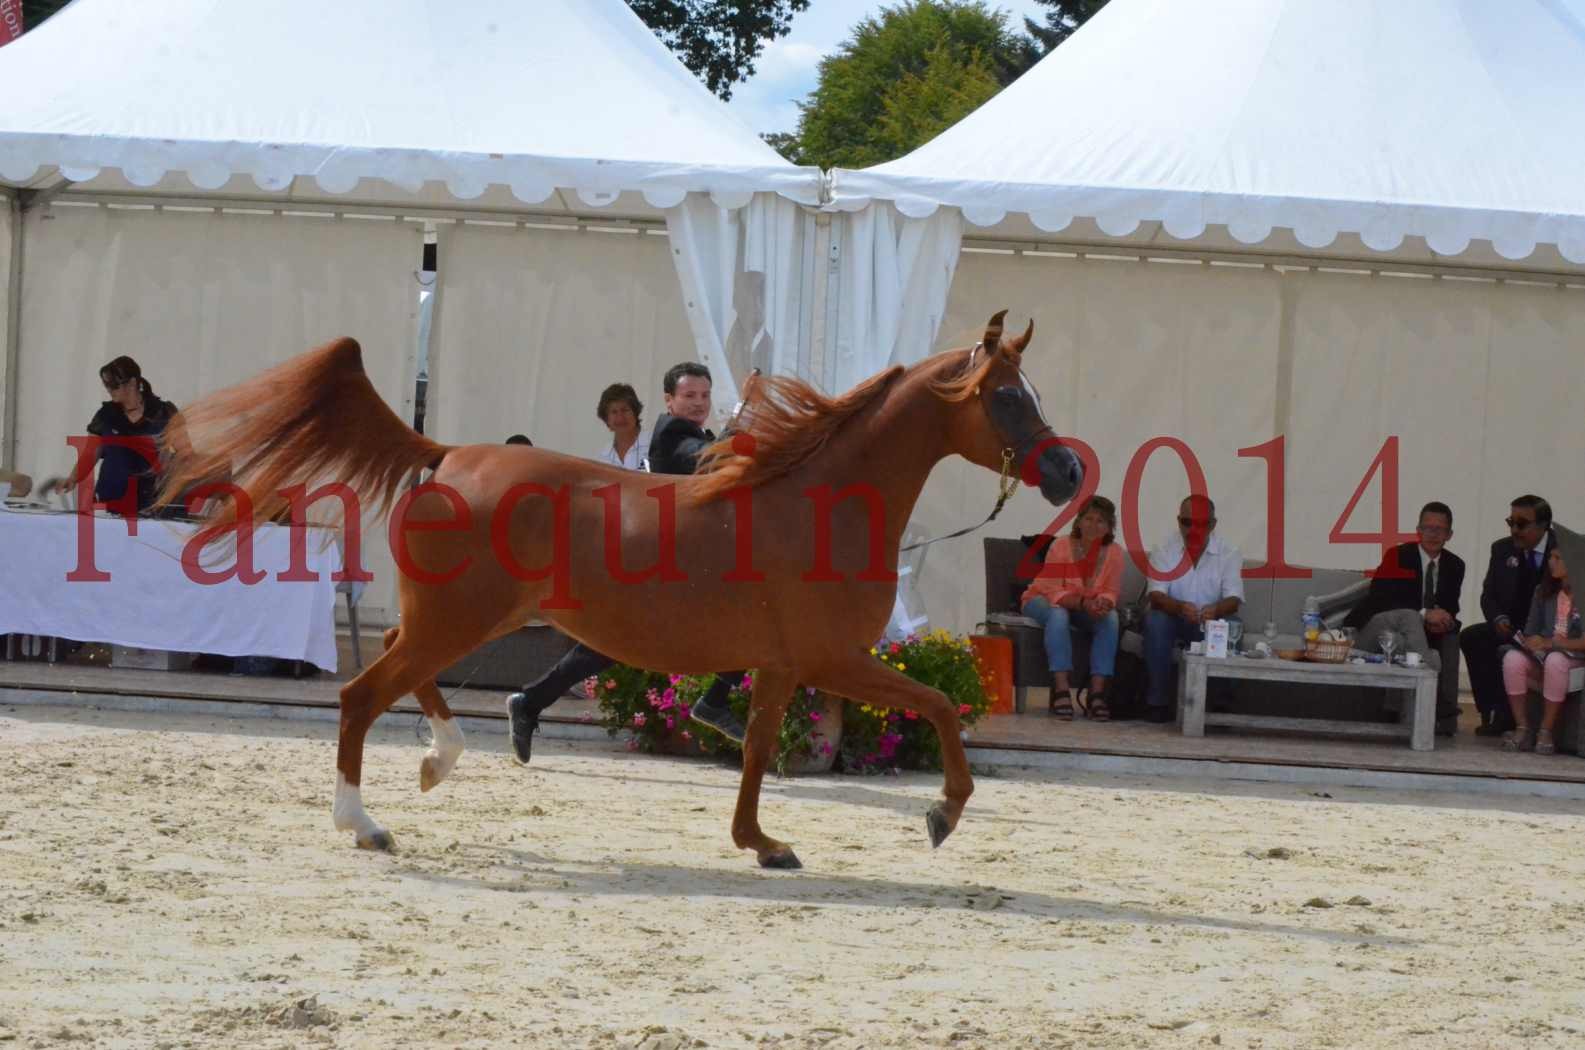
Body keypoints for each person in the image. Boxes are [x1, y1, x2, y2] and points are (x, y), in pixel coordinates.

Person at [506, 361, 748, 763]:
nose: (698, 403)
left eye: (704, 396)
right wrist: (739, 421)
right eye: (689, 396)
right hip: (661, 567)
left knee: (606, 646)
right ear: (669, 400)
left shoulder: (695, 433)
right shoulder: (671, 432)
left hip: (675, 567)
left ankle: (530, 703)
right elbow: (707, 463)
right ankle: (715, 700)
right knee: (747, 619)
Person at [1342, 502, 1465, 735]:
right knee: (1410, 616)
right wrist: (1424, 614)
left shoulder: (1455, 565)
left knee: (1404, 641)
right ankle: (1435, 691)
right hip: (1376, 626)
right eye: (1427, 528)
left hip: (1405, 635)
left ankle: (1407, 713)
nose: (1433, 534)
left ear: (1449, 534)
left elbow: (1451, 606)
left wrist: (1444, 619)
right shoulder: (1397, 555)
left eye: (1439, 529)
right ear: (1418, 530)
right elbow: (1380, 598)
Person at [1018, 496, 1124, 721]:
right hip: (1041, 599)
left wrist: (1104, 603)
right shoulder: (1061, 546)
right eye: (1089, 519)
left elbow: (1111, 590)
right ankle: (1062, 688)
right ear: (1078, 521)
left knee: (1111, 618)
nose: (1093, 526)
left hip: (1082, 608)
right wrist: (1084, 604)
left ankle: (1096, 693)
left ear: (1109, 527)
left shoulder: (1114, 552)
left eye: (1101, 521)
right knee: (1058, 614)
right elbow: (1053, 590)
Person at [1141, 495, 1244, 723]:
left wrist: (1216, 610)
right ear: (1178, 521)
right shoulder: (1164, 549)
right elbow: (1156, 595)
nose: (1192, 529)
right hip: (1174, 619)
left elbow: (1234, 599)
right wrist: (1178, 607)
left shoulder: (1229, 552)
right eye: (1187, 522)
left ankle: (1221, 706)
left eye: (1200, 523)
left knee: (1233, 625)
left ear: (1213, 525)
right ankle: (1157, 703)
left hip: (1211, 622)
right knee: (1156, 621)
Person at [1461, 495, 1556, 737]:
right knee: (1473, 637)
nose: (1514, 530)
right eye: (1510, 522)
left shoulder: (1562, 551)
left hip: (1548, 631)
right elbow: (1488, 595)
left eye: (1522, 524)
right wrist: (1498, 618)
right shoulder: (1502, 549)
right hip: (1510, 626)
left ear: (1543, 525)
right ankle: (1494, 713)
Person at [44, 356, 179, 515]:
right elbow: (90, 453)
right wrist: (73, 478)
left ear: (132, 383)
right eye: (106, 385)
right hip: (111, 498)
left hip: (154, 500)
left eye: (114, 385)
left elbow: (182, 453)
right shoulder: (105, 415)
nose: (109, 389)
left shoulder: (164, 412)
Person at [1499, 546, 1585, 755]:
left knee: (1555, 660)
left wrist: (1551, 643)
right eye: (1551, 557)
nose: (1552, 562)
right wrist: (1530, 642)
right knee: (1512, 658)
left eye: (1558, 557)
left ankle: (1545, 731)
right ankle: (1523, 727)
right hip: (1545, 655)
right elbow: (1531, 631)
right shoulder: (1542, 591)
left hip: (1574, 657)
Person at [594, 383, 648, 470]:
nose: (620, 417)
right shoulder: (604, 457)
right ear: (606, 419)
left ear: (635, 412)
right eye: (614, 412)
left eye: (625, 410)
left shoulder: (655, 445)